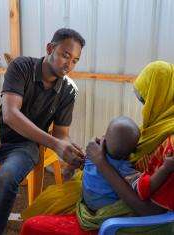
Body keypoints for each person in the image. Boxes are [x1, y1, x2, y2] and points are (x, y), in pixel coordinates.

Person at [21, 60, 174, 235]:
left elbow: (151, 212)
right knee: (52, 201)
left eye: (148, 100)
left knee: (33, 225)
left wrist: (101, 162)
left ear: (160, 98)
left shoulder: (170, 143)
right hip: (112, 201)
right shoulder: (154, 129)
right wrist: (91, 158)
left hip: (128, 222)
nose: (146, 107)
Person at [0, 28, 86, 235]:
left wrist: (68, 147)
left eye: (75, 60)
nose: (69, 64)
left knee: (6, 177)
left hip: (25, 145)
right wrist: (56, 143)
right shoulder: (21, 67)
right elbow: (10, 115)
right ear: (50, 48)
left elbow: (60, 133)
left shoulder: (68, 90)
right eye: (65, 55)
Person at [82, 116, 140, 211]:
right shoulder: (125, 168)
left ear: (104, 140)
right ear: (133, 151)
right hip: (106, 208)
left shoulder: (91, 155)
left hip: (88, 200)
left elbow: (82, 163)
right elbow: (139, 185)